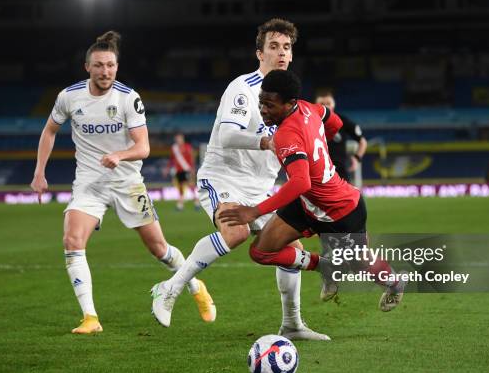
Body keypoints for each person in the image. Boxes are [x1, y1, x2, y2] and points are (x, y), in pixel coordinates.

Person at [150, 19, 329, 340]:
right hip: (223, 180)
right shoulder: (244, 88)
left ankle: (292, 324)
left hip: (260, 189)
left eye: (287, 47)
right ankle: (169, 288)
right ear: (259, 53)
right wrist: (265, 141)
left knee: (289, 248)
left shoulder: (291, 103)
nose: (282, 53)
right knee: (235, 233)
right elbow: (228, 134)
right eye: (274, 46)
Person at [30, 31, 215, 334]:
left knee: (159, 249)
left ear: (117, 66)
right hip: (89, 184)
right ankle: (90, 318)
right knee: (72, 241)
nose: (105, 71)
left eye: (111, 65)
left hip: (127, 182)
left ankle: (196, 286)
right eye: (99, 65)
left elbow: (143, 147)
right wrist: (40, 172)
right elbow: (49, 131)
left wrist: (120, 154)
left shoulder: (129, 98)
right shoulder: (69, 96)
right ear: (87, 67)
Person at [217, 70, 406, 313]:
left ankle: (395, 283)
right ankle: (324, 266)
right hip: (308, 205)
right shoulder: (309, 107)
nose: (263, 110)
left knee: (361, 265)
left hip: (341, 212)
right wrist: (318, 147)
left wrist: (254, 212)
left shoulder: (286, 135)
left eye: (270, 105)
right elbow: (335, 123)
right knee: (261, 252)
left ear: (289, 104)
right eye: (261, 102)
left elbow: (301, 183)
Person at [315, 91, 368, 182]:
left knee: (353, 196)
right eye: (322, 104)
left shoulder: (342, 121)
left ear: (333, 105)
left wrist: (357, 158)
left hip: (339, 171)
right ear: (316, 105)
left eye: (328, 103)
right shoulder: (309, 122)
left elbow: (362, 141)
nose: (326, 106)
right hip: (317, 172)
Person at [166, 132, 199, 211]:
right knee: (181, 187)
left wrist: (192, 169)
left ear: (182, 139)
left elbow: (192, 158)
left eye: (179, 138)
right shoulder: (174, 148)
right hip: (178, 170)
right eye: (177, 139)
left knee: (191, 185)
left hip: (187, 169)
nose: (178, 140)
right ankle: (181, 205)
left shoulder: (187, 147)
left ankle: (195, 202)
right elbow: (172, 159)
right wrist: (167, 168)